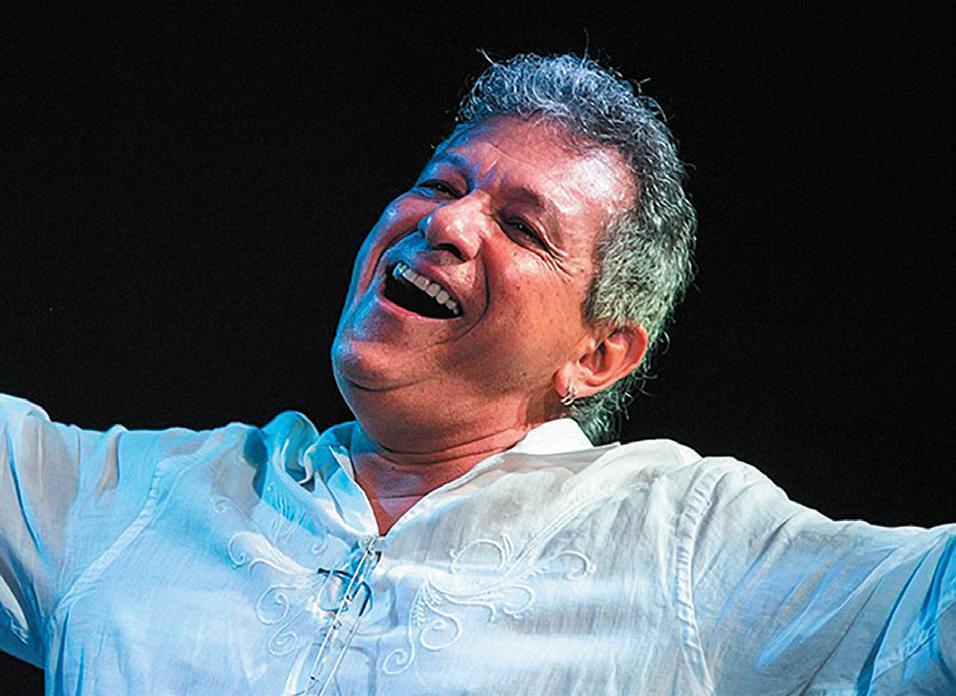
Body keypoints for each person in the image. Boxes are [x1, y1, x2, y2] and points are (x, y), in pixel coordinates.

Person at [0, 53, 952, 696]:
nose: (447, 223)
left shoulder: (683, 541)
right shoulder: (135, 502)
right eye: (441, 184)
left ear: (597, 354)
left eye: (523, 227)